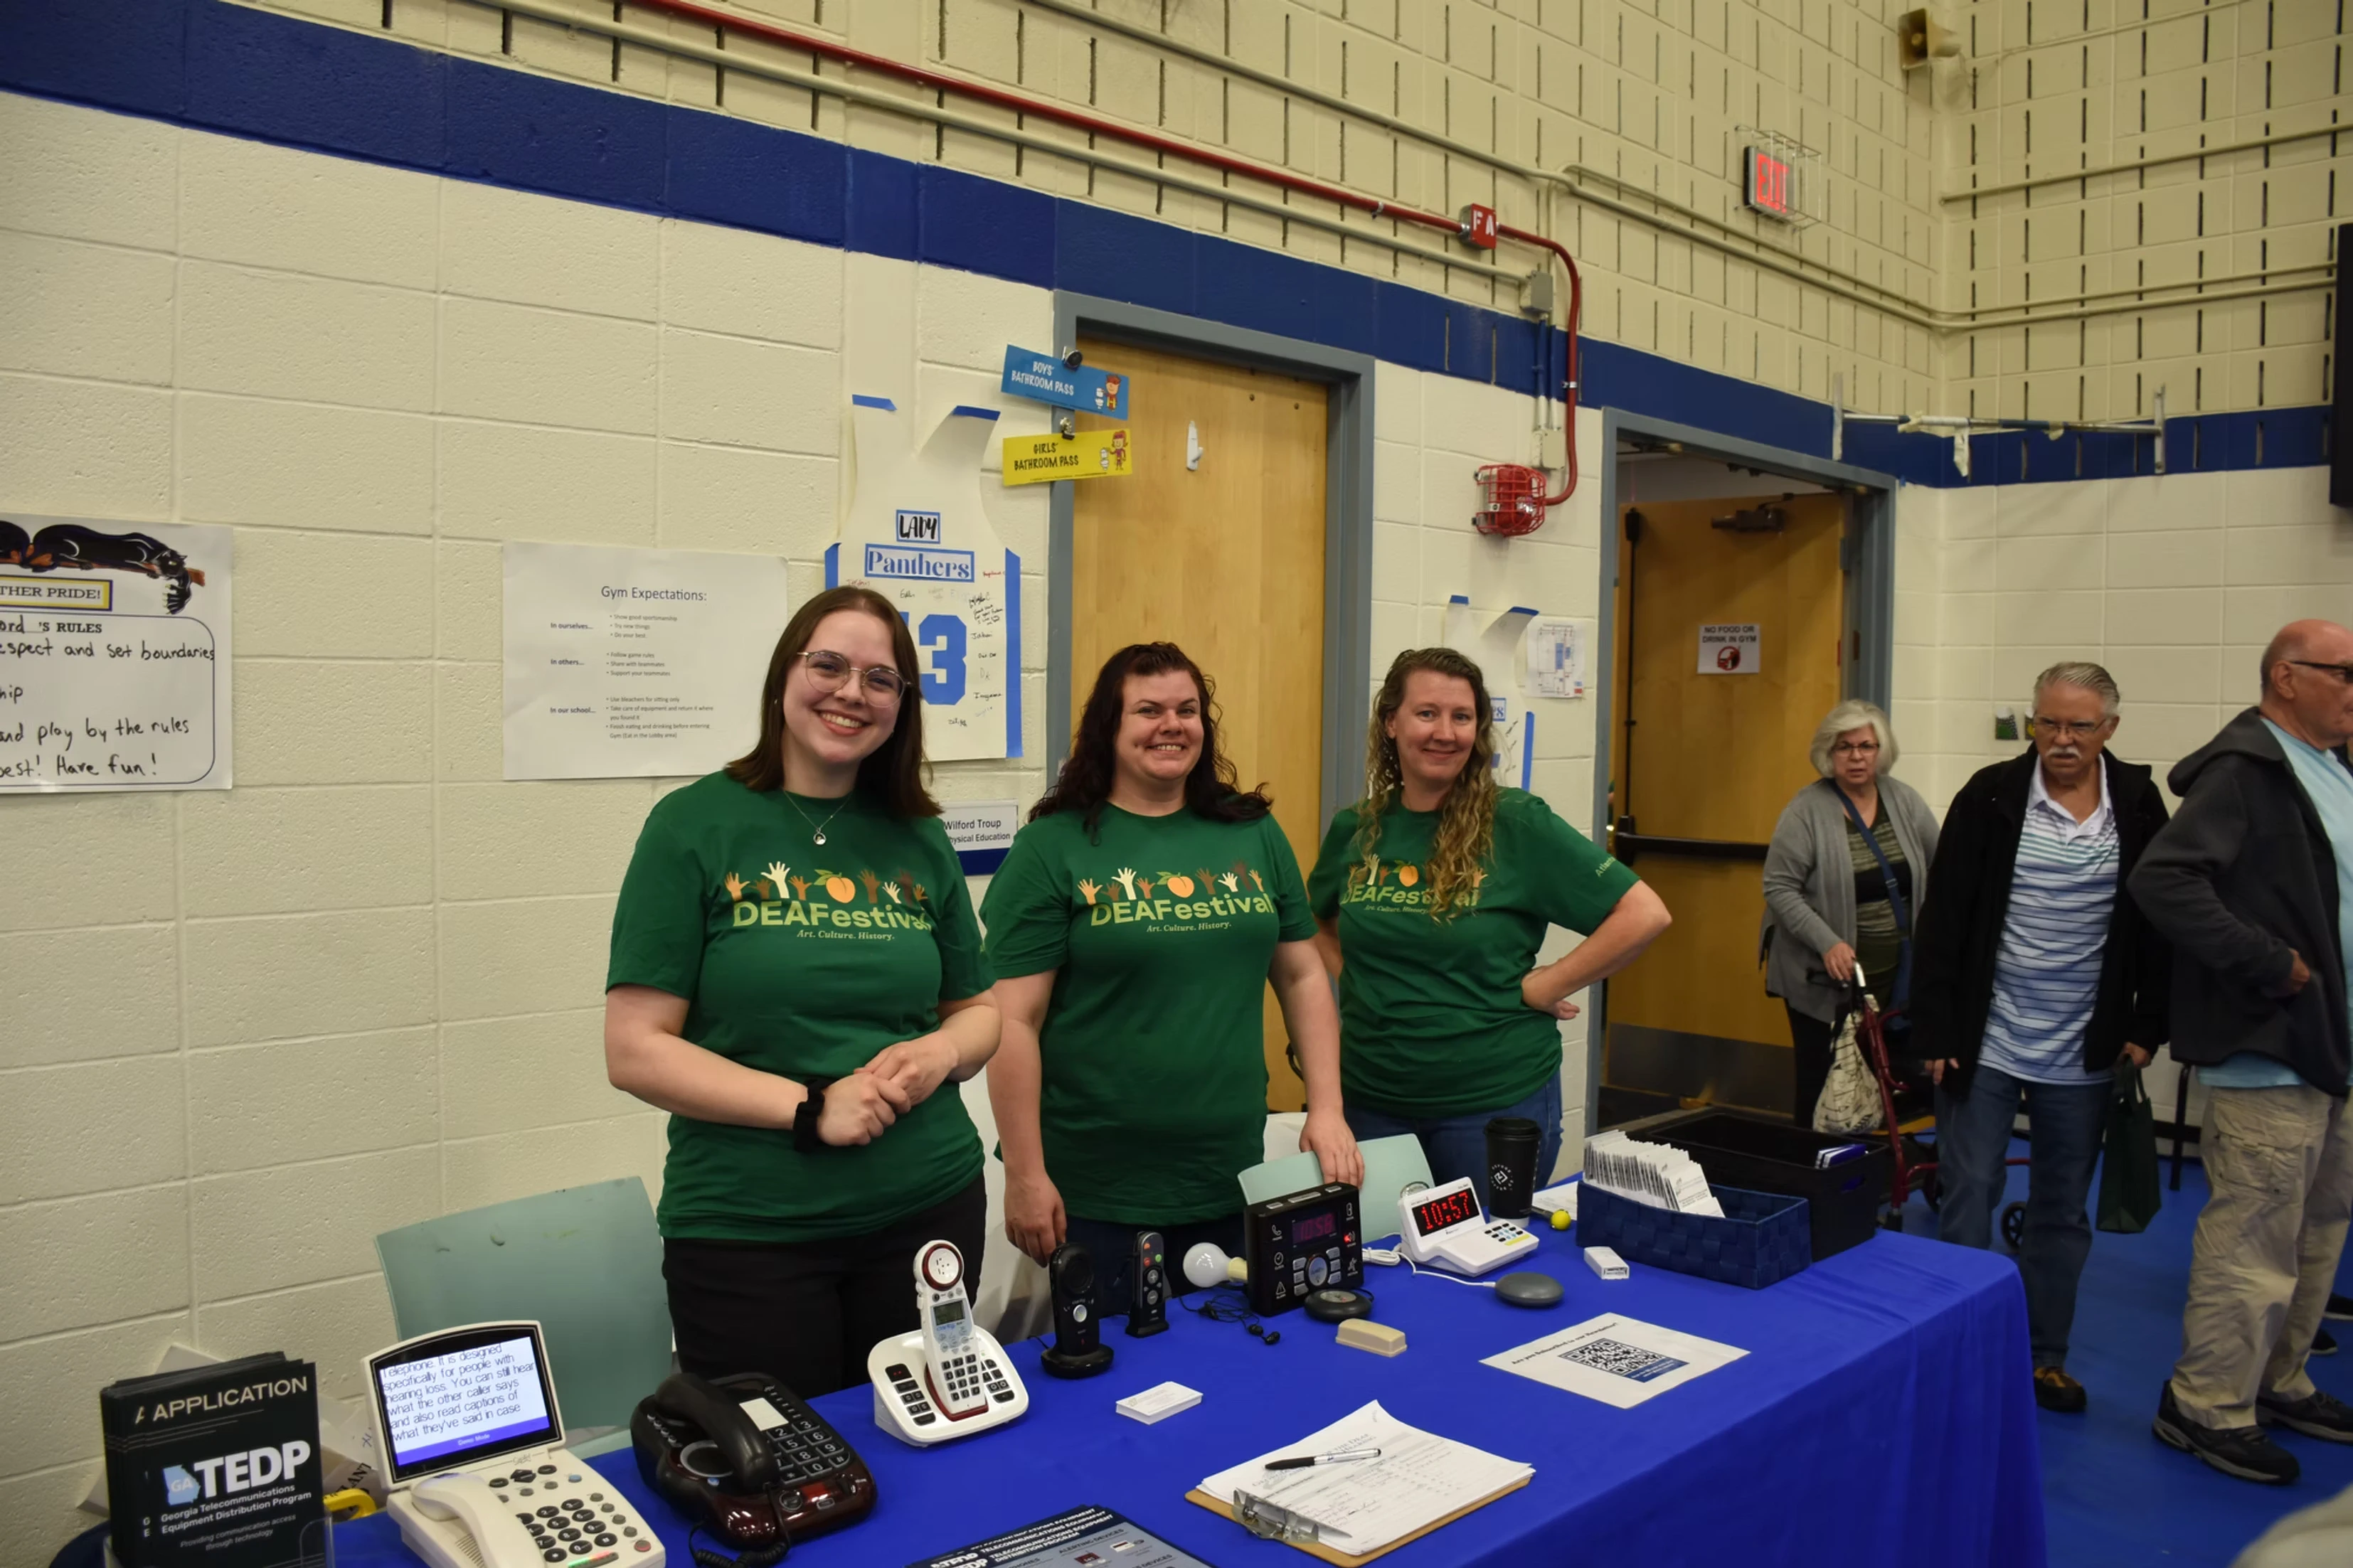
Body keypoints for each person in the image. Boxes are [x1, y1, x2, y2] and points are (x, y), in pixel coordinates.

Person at [604, 586, 1000, 1397]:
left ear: (903, 704)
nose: (851, 692)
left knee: (928, 1462)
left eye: (880, 679)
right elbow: (635, 1050)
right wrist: (808, 1108)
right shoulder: (692, 826)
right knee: (786, 1480)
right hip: (752, 1232)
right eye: (829, 664)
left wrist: (939, 1053)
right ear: (785, 676)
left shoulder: (917, 834)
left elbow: (980, 1011)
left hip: (928, 1213)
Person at [983, 643, 1364, 1304]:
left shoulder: (1251, 831)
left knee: (1231, 1366)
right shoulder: (1055, 845)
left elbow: (1302, 975)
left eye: (1188, 709)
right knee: (1114, 1385)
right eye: (1149, 709)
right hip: (1099, 1189)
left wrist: (1326, 1108)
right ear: (1110, 726)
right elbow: (1012, 1019)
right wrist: (1024, 1172)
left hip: (1228, 1172)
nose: (1173, 724)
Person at [1306, 648, 1672, 1197]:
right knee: (1380, 1266)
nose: (1445, 732)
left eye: (1462, 716)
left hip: (1491, 1101)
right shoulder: (1357, 828)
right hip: (1371, 1098)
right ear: (1391, 722)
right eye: (1427, 713)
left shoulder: (1517, 822)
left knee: (1483, 1263)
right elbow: (1317, 923)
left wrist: (1547, 982)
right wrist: (1361, 983)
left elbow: (1644, 912)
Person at [1910, 661, 2172, 1414]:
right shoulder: (1989, 795)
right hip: (1983, 1037)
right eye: (2046, 723)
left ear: (2108, 730)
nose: (2059, 739)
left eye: (2077, 726)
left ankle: (2039, 1356)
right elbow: (1944, 922)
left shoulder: (2135, 801)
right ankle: (1957, 1344)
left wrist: (2145, 1029)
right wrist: (1934, 1027)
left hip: (2083, 1048)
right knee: (1968, 1194)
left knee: (2060, 1210)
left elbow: (2157, 926)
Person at [2135, 619, 2353, 1485]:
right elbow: (2162, 880)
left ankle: (2277, 1378)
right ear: (2285, 678)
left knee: (2317, 1229)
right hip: (2269, 1052)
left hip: (2329, 1053)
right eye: (2341, 673)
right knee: (2254, 1237)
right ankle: (2203, 1406)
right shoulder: (2243, 772)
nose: (2352, 688)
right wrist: (2272, 965)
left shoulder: (2330, 770)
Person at [1761, 700, 1941, 1127]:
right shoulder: (1807, 809)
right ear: (1829, 752)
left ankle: (1870, 1169)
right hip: (1824, 975)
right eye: (1845, 747)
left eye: (1866, 746)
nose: (1856, 757)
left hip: (1896, 971)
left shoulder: (1904, 800)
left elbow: (1942, 866)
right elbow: (1779, 887)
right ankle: (1816, 1174)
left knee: (1885, 1076)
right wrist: (1828, 942)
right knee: (1824, 1085)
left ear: (1881, 750)